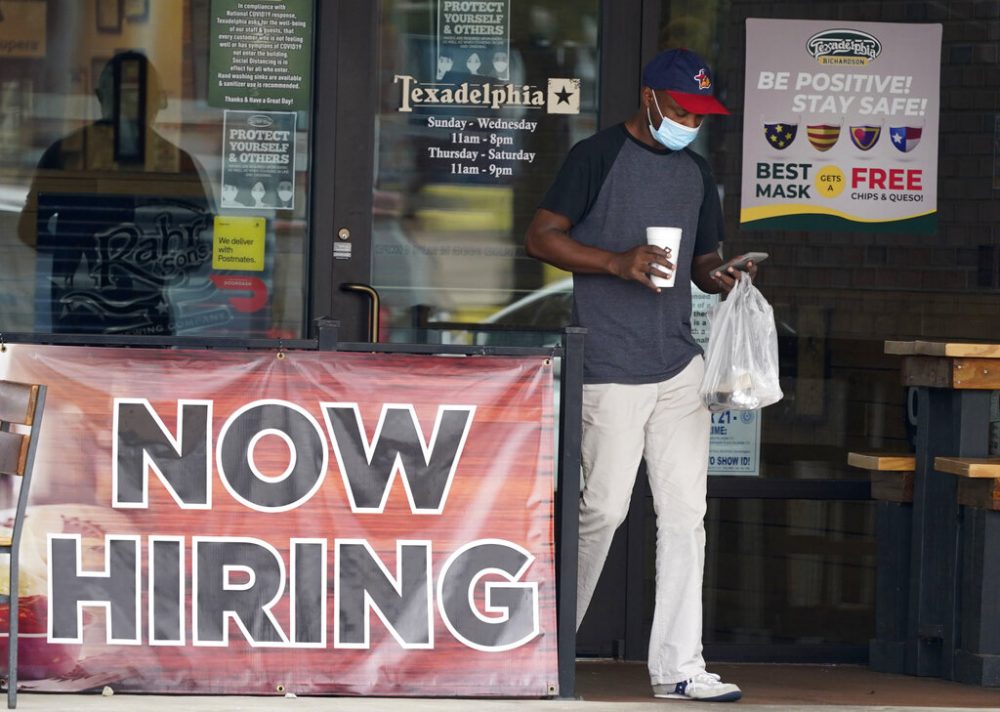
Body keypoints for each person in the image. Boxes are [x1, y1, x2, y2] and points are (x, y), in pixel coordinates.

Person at [524, 48, 759, 703]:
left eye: (699, 113)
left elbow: (700, 259)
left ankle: (679, 666)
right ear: (650, 97)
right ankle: (540, 648)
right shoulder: (594, 157)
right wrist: (614, 261)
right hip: (611, 363)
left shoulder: (692, 171)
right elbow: (541, 237)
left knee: (686, 515)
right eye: (682, 108)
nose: (690, 120)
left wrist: (722, 275)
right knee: (600, 510)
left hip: (680, 364)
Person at [17, 50, 216, 335]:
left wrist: (73, 249)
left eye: (137, 95)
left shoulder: (65, 155)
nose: (131, 105)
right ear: (160, 101)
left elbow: (28, 230)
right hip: (143, 327)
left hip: (79, 322)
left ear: (99, 97)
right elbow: (202, 251)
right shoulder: (181, 165)